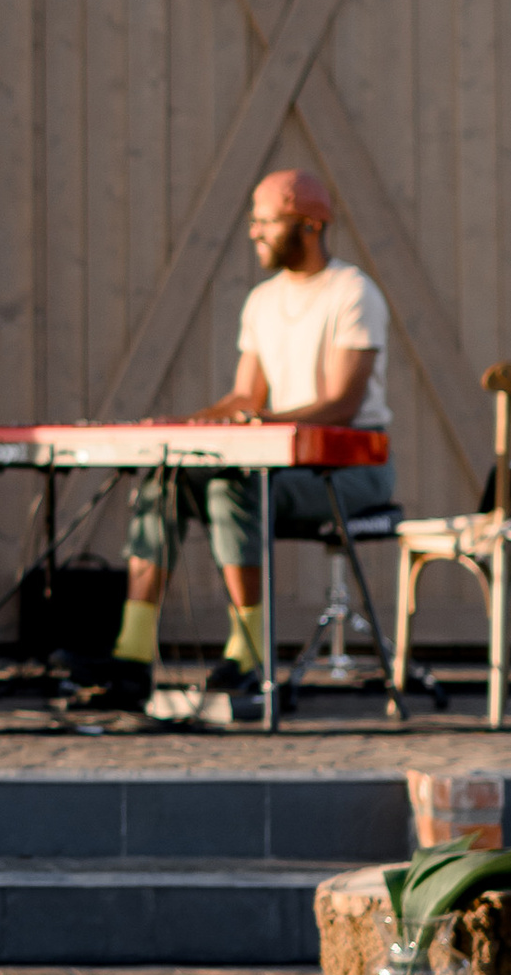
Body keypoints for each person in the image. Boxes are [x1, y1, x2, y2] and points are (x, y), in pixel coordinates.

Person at [70, 166, 393, 720]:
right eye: (254, 222)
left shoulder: (352, 292)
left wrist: (260, 424)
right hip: (277, 456)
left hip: (349, 466)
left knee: (234, 487)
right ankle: (131, 655)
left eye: (266, 221)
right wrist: (184, 426)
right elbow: (245, 397)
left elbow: (341, 404)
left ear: (310, 224)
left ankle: (247, 655)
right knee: (165, 475)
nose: (254, 233)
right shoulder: (263, 301)